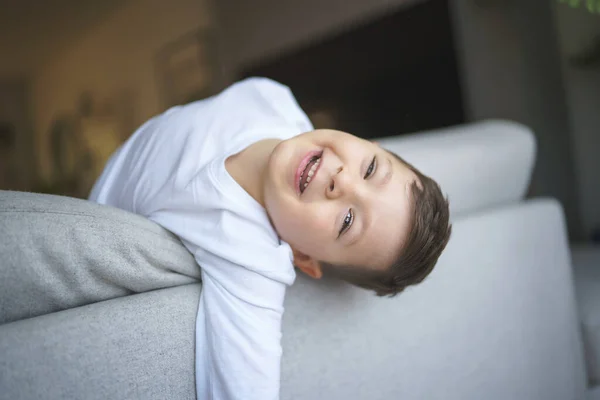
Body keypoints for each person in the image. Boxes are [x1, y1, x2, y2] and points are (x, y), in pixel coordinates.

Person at [89, 77, 451, 399]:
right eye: (370, 167)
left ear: (302, 257)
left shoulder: (249, 257)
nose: (343, 180)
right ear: (367, 142)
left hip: (94, 211)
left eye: (347, 221)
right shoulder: (273, 99)